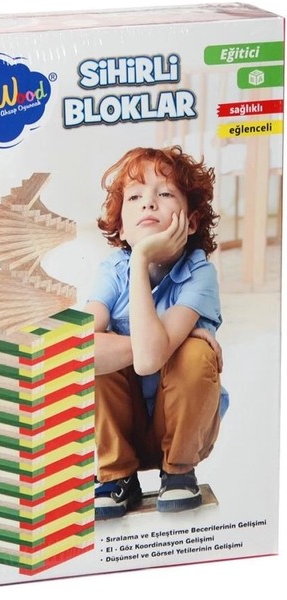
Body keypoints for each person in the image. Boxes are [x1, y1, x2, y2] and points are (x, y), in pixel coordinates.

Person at [86, 145, 228, 519]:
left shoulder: (200, 274)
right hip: (126, 426)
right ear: (121, 226)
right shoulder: (113, 270)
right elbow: (72, 349)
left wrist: (143, 257)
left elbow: (151, 361)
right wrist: (139, 261)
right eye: (135, 197)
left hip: (183, 430)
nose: (148, 202)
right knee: (92, 357)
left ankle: (179, 473)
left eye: (164, 194)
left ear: (191, 222)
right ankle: (117, 475)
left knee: (195, 353)